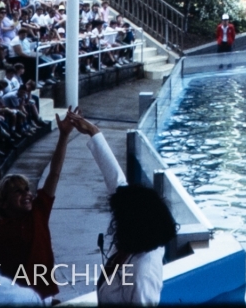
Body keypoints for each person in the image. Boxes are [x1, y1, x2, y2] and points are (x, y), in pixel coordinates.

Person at [0, 108, 77, 301]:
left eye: (27, 190)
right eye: (18, 191)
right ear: (3, 202)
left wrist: (64, 136)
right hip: (16, 299)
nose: (26, 194)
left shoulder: (39, 211)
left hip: (45, 296)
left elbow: (54, 173)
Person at [69, 112, 177, 305]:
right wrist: (94, 133)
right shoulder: (136, 241)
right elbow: (117, 182)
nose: (115, 221)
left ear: (132, 224)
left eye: (120, 217)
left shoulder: (144, 272)